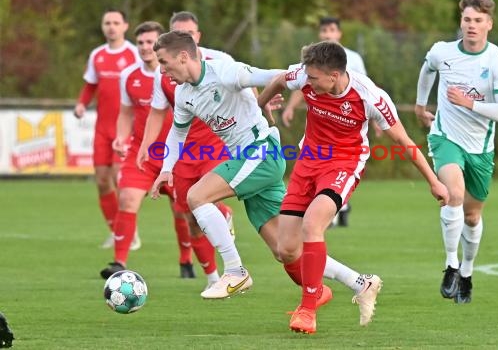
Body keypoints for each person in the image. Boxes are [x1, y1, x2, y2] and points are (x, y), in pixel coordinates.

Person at [151, 32, 382, 317]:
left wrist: (287, 86)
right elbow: (177, 133)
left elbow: (272, 75)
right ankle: (360, 282)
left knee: (196, 196)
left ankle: (235, 271)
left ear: (183, 56)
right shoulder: (184, 94)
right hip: (249, 161)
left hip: (261, 152)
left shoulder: (225, 71)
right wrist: (165, 169)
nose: (161, 70)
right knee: (287, 251)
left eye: (163, 62)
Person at [257, 41, 449, 334]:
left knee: (312, 225)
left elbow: (404, 141)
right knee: (285, 249)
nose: (306, 81)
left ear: (333, 76)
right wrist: (262, 106)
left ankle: (308, 310)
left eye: (313, 78)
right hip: (308, 162)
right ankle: (359, 284)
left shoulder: (369, 96)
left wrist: (434, 181)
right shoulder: (304, 76)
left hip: (343, 165)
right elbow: (281, 80)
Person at [415, 0, 498, 304]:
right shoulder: (442, 52)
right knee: (453, 194)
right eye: (467, 20)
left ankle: (468, 272)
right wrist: (420, 104)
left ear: (489, 24)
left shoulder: (497, 61)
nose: (471, 25)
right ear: (461, 22)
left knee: (472, 217)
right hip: (445, 137)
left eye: (478, 20)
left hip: (481, 148)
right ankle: (450, 265)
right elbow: (427, 69)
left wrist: (469, 102)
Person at [137, 11, 236, 289]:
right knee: (189, 217)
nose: (184, 38)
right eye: (178, 33)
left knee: (202, 199)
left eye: (189, 34)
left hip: (215, 144)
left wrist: (265, 105)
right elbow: (158, 114)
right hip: (183, 152)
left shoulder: (220, 61)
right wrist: (146, 146)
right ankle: (212, 278)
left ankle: (224, 216)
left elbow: (245, 87)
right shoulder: (164, 74)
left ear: (197, 37)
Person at [99, 21, 195, 279]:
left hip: (176, 156)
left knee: (182, 211)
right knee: (127, 199)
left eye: (149, 42)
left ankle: (186, 261)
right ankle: (119, 263)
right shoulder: (128, 75)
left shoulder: (177, 76)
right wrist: (121, 138)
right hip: (141, 155)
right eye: (140, 42)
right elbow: (126, 113)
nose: (144, 48)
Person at [281, 16, 373, 228]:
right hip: (322, 131)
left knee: (337, 174)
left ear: (339, 33)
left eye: (331, 30)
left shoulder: (353, 59)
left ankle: (336, 208)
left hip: (347, 129)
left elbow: (367, 91)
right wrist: (290, 107)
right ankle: (333, 210)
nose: (327, 34)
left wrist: (377, 121)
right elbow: (303, 83)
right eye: (324, 30)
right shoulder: (315, 61)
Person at [74, 9, 141, 249]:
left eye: (115, 23)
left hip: (125, 127)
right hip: (102, 128)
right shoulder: (97, 55)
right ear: (103, 27)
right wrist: (82, 104)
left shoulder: (134, 53)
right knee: (102, 181)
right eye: (107, 23)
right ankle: (117, 231)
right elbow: (90, 85)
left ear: (125, 26)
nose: (111, 27)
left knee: (117, 177)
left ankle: (129, 233)